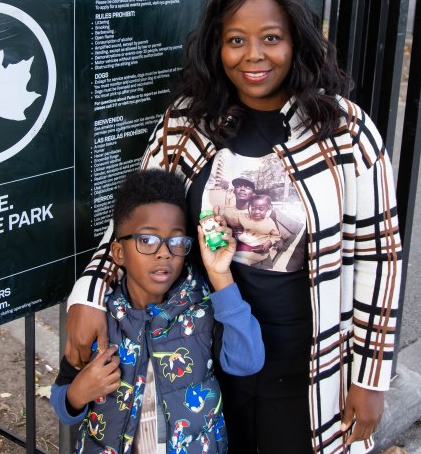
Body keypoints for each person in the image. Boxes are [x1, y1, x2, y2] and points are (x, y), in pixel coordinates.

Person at [66, 0, 402, 453]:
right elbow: (134, 219)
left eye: (271, 38)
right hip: (204, 362)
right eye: (236, 40)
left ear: (296, 42)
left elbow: (379, 259)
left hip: (307, 365)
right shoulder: (187, 123)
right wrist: (89, 293)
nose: (254, 56)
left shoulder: (346, 134)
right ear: (217, 46)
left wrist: (371, 377)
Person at [52, 169, 264, 453]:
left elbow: (247, 361)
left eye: (176, 241)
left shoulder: (201, 307)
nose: (164, 252)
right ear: (118, 253)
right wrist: (78, 393)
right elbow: (62, 401)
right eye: (147, 240)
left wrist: (220, 277)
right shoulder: (100, 318)